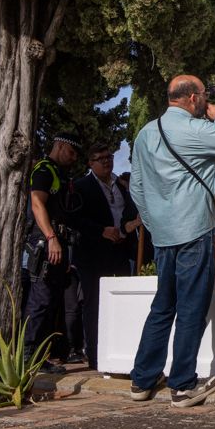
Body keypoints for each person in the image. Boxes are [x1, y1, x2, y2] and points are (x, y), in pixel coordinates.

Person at [128, 75, 215, 407]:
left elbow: (136, 188)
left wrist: (154, 224)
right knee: (191, 309)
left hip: (163, 235)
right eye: (205, 96)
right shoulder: (197, 129)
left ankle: (142, 380)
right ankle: (183, 385)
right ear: (194, 98)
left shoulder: (145, 134)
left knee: (162, 306)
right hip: (195, 230)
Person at [72, 141, 138, 369]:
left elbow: (128, 212)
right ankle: (95, 354)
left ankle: (119, 350)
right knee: (94, 304)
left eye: (109, 157)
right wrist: (101, 231)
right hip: (93, 254)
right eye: (101, 159)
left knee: (121, 301)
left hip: (120, 251)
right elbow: (76, 220)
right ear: (91, 163)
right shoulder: (81, 186)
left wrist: (126, 229)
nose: (107, 162)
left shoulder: (120, 186)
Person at [24, 133, 82, 373]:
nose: (74, 158)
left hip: (59, 244)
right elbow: (37, 203)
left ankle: (40, 356)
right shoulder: (44, 169)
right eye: (71, 152)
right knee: (41, 299)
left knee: (52, 302)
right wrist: (50, 237)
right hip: (45, 242)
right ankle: (27, 356)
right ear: (59, 145)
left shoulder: (60, 173)